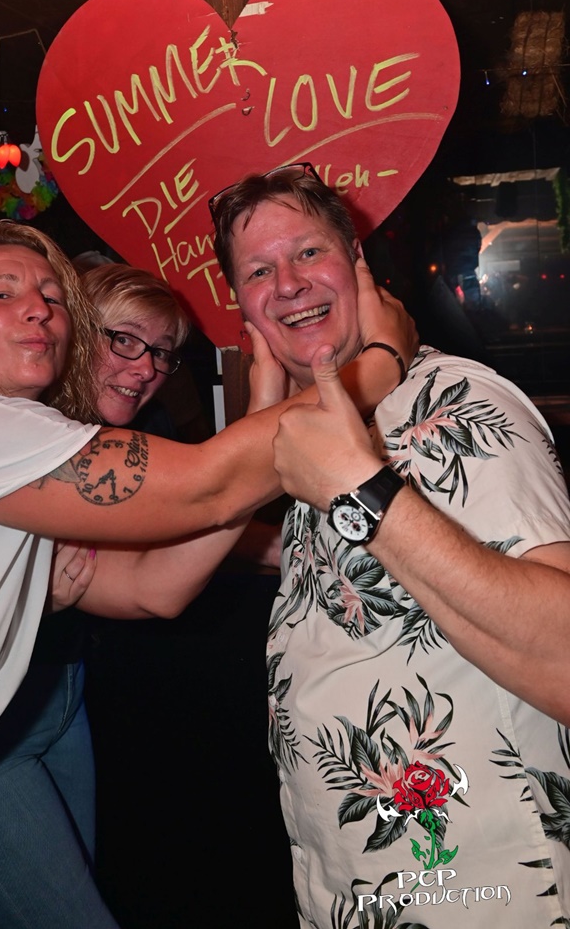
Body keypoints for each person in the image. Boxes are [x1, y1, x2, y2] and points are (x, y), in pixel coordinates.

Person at [0, 219, 412, 928]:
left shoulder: (12, 470)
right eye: (3, 293)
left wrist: (264, 411)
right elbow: (206, 487)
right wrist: (379, 363)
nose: (38, 307)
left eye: (51, 295)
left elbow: (153, 587)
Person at [209, 162, 570, 927]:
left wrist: (363, 492)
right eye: (260, 270)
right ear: (241, 304)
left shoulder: (451, 403)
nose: (289, 283)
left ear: (357, 262)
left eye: (309, 252)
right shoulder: (317, 434)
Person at [0, 262, 194, 928]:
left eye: (162, 352)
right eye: (124, 339)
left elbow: (159, 561)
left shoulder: (122, 440)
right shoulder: (2, 431)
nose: (145, 367)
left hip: (60, 699)